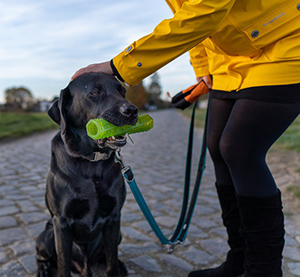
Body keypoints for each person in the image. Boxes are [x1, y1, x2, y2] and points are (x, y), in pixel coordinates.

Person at [72, 0, 300, 276]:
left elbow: (206, 9)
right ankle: (238, 261)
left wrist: (119, 66)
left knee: (239, 150)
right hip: (228, 61)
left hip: (285, 42)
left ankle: (263, 271)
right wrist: (203, 65)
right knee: (217, 147)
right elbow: (186, 13)